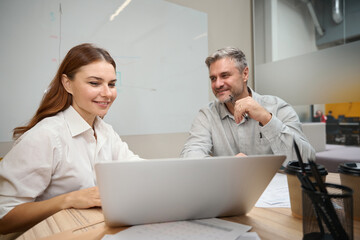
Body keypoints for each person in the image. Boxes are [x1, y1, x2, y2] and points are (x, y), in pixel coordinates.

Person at [0, 43, 141, 237]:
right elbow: (4, 218)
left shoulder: (105, 132)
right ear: (67, 83)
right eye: (94, 83)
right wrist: (69, 200)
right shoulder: (45, 136)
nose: (107, 93)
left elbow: (140, 173)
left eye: (112, 84)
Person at [181, 47, 315, 166]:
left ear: (244, 74)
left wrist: (267, 119)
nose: (217, 84)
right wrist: (227, 165)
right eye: (213, 78)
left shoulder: (278, 107)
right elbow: (190, 157)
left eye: (225, 75)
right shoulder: (207, 115)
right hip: (229, 191)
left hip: (275, 191)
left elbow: (306, 159)